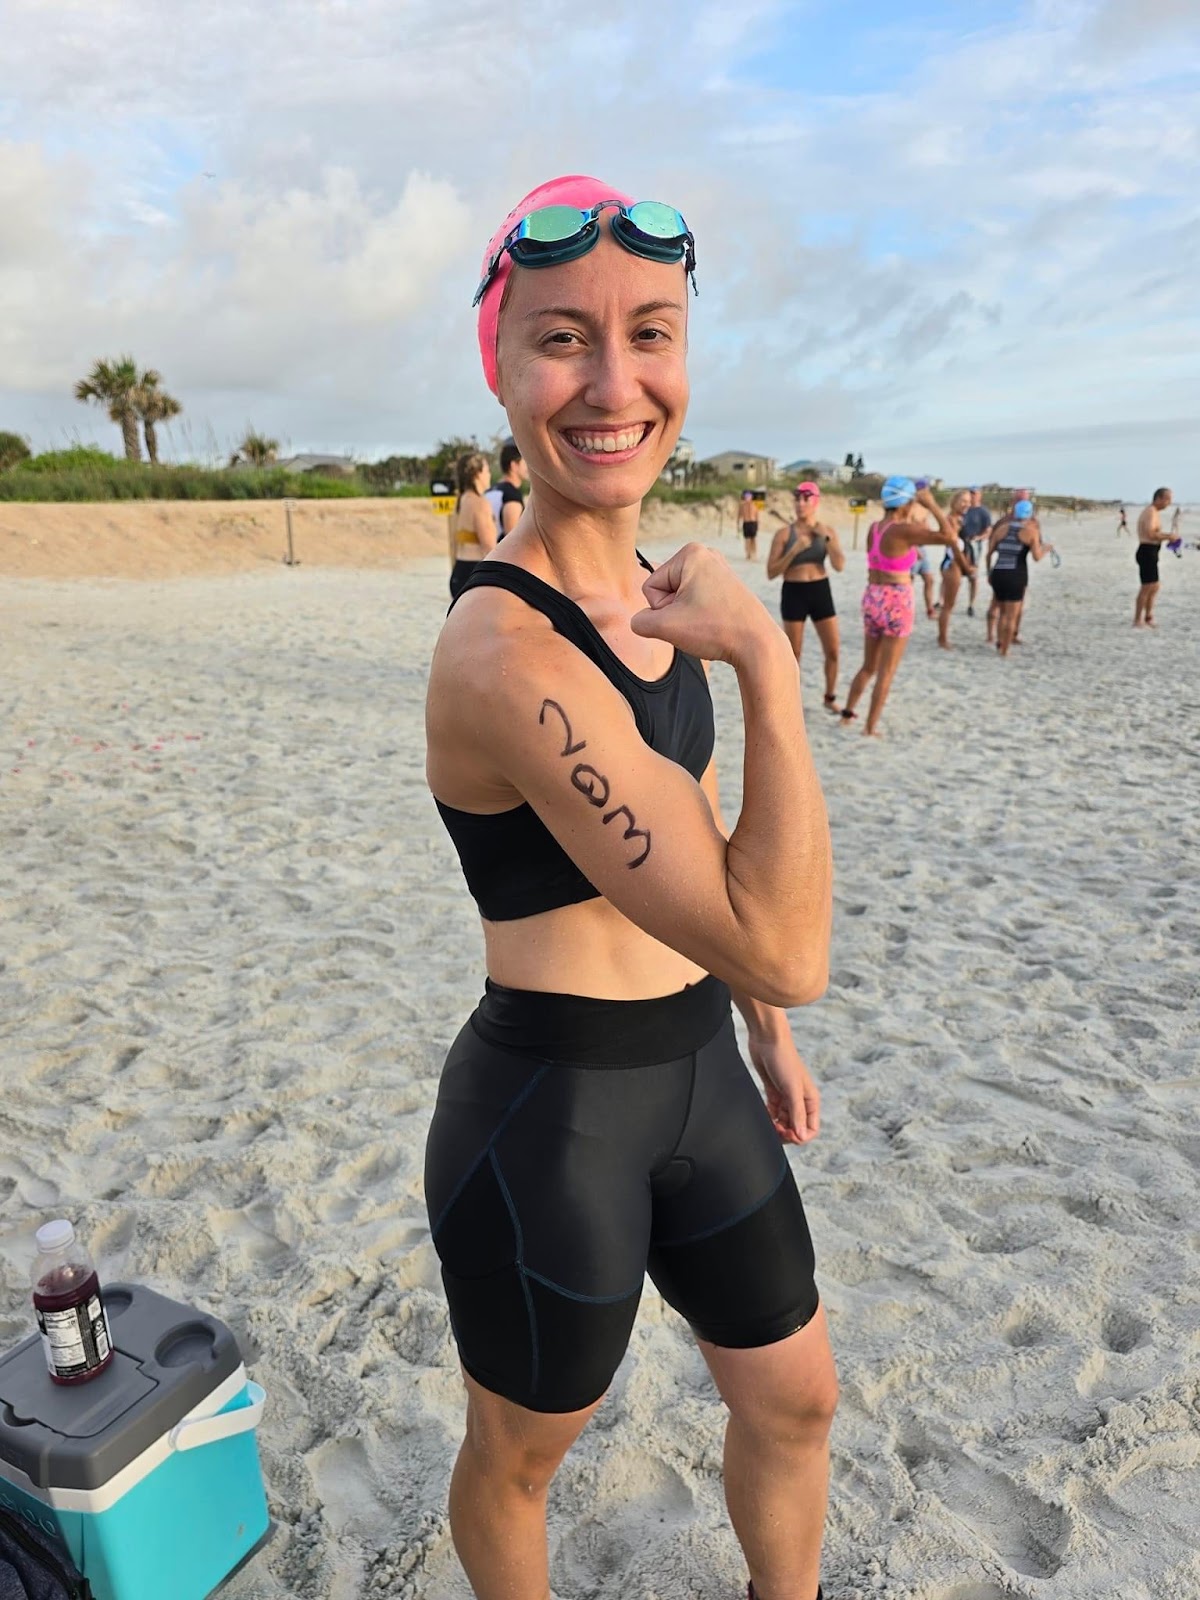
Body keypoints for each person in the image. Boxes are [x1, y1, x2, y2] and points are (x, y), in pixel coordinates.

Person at [424, 174, 835, 1600]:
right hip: (553, 1113)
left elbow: (693, 810)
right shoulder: (501, 651)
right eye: (560, 340)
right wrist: (770, 668)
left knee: (795, 1400)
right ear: (501, 366)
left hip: (704, 1070)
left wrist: (762, 1032)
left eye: (649, 332)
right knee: (524, 1455)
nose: (613, 383)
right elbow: (787, 942)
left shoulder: (663, 588)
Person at [839, 477, 969, 736]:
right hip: (897, 598)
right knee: (886, 671)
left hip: (872, 596)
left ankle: (847, 714)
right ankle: (869, 728)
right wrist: (932, 504)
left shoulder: (875, 528)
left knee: (868, 666)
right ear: (906, 502)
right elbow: (949, 536)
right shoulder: (902, 531)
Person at [765, 481, 846, 708]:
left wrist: (826, 540)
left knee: (833, 650)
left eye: (806, 498)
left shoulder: (827, 531)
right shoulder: (784, 534)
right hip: (794, 592)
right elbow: (771, 572)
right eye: (797, 499)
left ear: (815, 502)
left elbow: (839, 565)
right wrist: (794, 550)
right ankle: (792, 702)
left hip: (821, 590)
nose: (800, 504)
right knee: (794, 654)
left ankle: (829, 698)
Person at [987, 498, 1052, 656]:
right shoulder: (1031, 532)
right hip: (1016, 575)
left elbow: (989, 553)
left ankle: (1000, 641)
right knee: (1012, 615)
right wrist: (1047, 549)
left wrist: (989, 572)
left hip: (998, 572)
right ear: (1030, 515)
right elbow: (1036, 557)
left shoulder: (1001, 529)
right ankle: (1005, 650)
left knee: (1002, 612)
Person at [449, 451, 499, 599]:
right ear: (477, 474)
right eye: (487, 470)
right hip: (474, 572)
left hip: (459, 571)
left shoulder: (461, 500)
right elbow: (489, 547)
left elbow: (454, 543)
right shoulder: (480, 504)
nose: (489, 474)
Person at [936, 489, 973, 648]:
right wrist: (966, 567)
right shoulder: (950, 520)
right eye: (963, 501)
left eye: (969, 501)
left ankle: (943, 637)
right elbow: (954, 548)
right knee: (948, 605)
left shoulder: (961, 519)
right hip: (953, 564)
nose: (967, 504)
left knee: (951, 604)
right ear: (954, 502)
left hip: (959, 563)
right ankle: (942, 639)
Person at [1134, 487, 1173, 628]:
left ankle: (1148, 617)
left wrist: (1168, 537)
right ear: (1159, 498)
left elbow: (1156, 533)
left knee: (1155, 586)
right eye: (1167, 499)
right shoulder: (1150, 512)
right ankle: (1138, 620)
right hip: (1146, 551)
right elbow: (1151, 534)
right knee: (1147, 586)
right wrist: (1169, 536)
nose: (1169, 503)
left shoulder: (1155, 512)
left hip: (1152, 551)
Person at [484, 438, 530, 540]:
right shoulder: (512, 496)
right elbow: (512, 538)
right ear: (514, 465)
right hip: (502, 554)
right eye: (525, 462)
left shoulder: (490, 491)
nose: (528, 467)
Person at [959, 488, 992, 615]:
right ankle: (941, 600)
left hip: (974, 545)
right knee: (951, 571)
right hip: (960, 543)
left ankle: (971, 604)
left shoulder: (983, 512)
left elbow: (988, 530)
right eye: (971, 493)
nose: (972, 496)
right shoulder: (964, 509)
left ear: (980, 495)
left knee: (973, 576)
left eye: (975, 493)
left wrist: (979, 538)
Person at [740, 488, 759, 560]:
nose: (747, 497)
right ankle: (748, 553)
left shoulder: (754, 505)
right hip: (746, 523)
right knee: (747, 539)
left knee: (753, 539)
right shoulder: (742, 505)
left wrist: (757, 525)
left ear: (751, 496)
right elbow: (739, 515)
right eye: (746, 495)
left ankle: (754, 553)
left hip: (753, 523)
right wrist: (737, 525)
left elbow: (757, 515)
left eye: (749, 495)